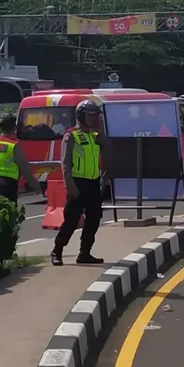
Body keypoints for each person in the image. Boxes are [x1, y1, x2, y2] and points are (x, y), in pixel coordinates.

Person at [51, 100, 107, 266]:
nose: (94, 118)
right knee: (71, 221)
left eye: (95, 115)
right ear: (81, 116)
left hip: (93, 183)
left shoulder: (94, 136)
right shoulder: (71, 136)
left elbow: (108, 147)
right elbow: (65, 164)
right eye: (91, 115)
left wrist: (101, 130)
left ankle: (85, 252)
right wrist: (70, 186)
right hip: (77, 183)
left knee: (94, 219)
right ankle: (57, 250)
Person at [0, 116, 42, 202]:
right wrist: (36, 187)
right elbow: (25, 169)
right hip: (7, 185)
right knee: (9, 211)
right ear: (14, 128)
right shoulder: (13, 145)